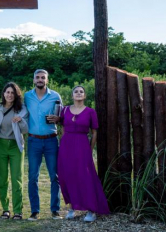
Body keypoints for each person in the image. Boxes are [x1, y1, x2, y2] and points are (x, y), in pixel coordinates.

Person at [57, 85, 110, 222]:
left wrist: (90, 148)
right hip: (66, 146)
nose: (79, 93)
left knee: (85, 176)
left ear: (85, 96)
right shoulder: (65, 110)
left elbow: (94, 132)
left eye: (81, 92)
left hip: (82, 145)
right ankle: (71, 208)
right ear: (72, 95)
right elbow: (63, 128)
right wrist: (63, 144)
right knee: (67, 175)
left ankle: (91, 210)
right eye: (76, 91)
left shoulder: (90, 112)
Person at [24, 69, 63, 220]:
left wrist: (58, 119)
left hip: (51, 140)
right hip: (33, 140)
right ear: (34, 80)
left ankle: (55, 210)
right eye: (37, 77)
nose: (40, 79)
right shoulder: (27, 96)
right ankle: (35, 211)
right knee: (33, 176)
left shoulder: (55, 96)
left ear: (47, 80)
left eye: (43, 77)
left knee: (55, 176)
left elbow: (62, 116)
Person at [0, 82, 28, 220]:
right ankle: (5, 210)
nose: (10, 95)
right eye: (7, 92)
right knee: (2, 179)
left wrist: (20, 121)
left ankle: (18, 211)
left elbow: (26, 129)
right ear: (3, 93)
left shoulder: (22, 109)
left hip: (15, 146)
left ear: (16, 94)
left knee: (17, 179)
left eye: (12, 92)